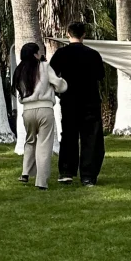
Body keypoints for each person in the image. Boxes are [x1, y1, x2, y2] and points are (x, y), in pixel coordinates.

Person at [50, 20, 107, 186]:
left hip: (69, 101)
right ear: (84, 34)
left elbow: (52, 74)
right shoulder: (93, 54)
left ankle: (66, 172)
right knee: (91, 138)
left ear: (68, 33)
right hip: (90, 101)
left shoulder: (61, 54)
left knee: (68, 136)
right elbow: (100, 76)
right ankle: (88, 176)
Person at [15, 42, 68, 190]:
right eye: (38, 52)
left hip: (27, 110)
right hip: (45, 109)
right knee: (44, 144)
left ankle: (25, 172)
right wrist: (59, 84)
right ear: (35, 54)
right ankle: (41, 182)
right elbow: (59, 84)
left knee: (30, 140)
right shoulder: (44, 66)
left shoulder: (19, 70)